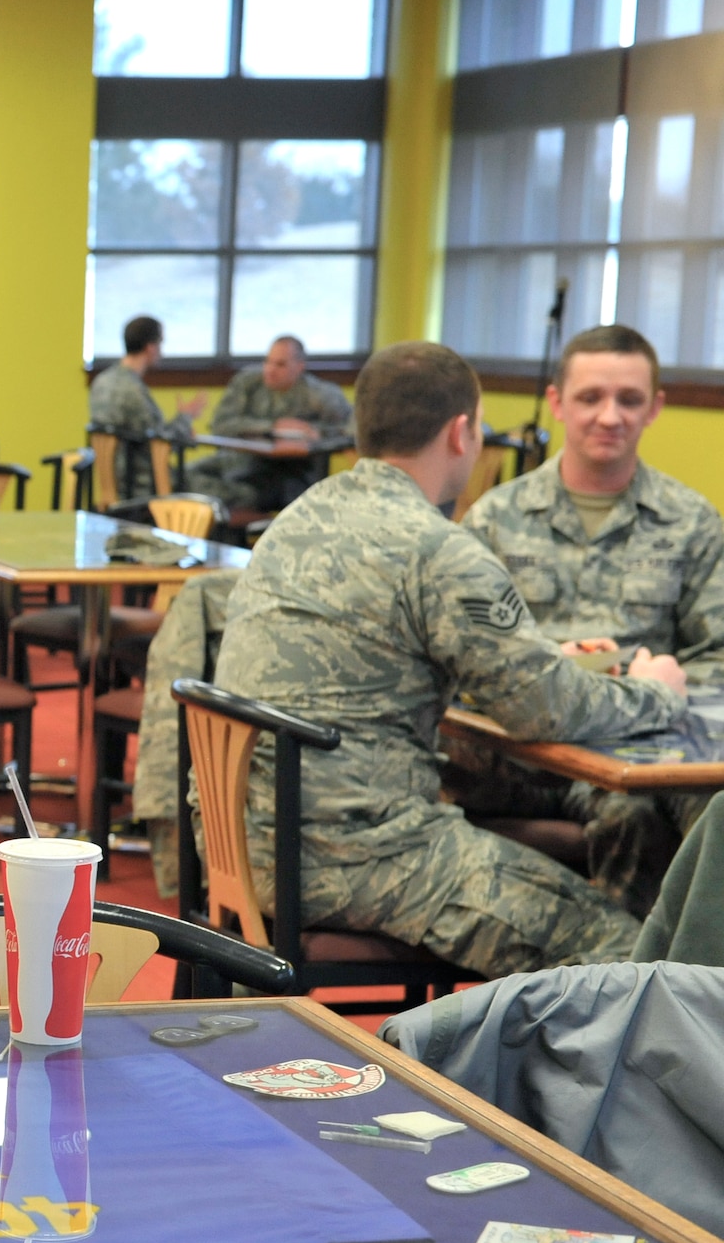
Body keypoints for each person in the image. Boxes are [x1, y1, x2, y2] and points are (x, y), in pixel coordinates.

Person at [212, 340, 688, 977]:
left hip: (245, 844)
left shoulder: (297, 521)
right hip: (362, 860)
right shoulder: (439, 549)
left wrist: (543, 657)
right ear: (461, 433)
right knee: (634, 955)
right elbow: (547, 711)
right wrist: (657, 690)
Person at [455, 325, 724, 918]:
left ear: (654, 407)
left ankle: (665, 968)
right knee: (629, 816)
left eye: (629, 400)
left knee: (689, 815)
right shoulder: (495, 519)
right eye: (590, 398)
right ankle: (599, 967)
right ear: (556, 402)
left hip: (643, 753)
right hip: (521, 751)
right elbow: (459, 656)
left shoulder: (691, 522)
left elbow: (717, 655)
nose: (610, 416)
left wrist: (651, 679)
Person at [186, 335, 352, 511]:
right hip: (239, 462)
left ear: (299, 366)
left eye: (280, 364)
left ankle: (243, 514)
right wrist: (272, 426)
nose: (270, 370)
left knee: (251, 494)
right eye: (267, 361)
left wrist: (313, 432)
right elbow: (221, 424)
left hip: (289, 474)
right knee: (183, 476)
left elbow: (349, 431)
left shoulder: (321, 395)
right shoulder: (248, 383)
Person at [87, 315, 205, 502]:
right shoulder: (132, 389)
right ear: (150, 347)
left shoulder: (102, 381)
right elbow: (161, 442)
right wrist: (186, 417)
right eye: (161, 344)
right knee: (237, 490)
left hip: (116, 486)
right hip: (144, 486)